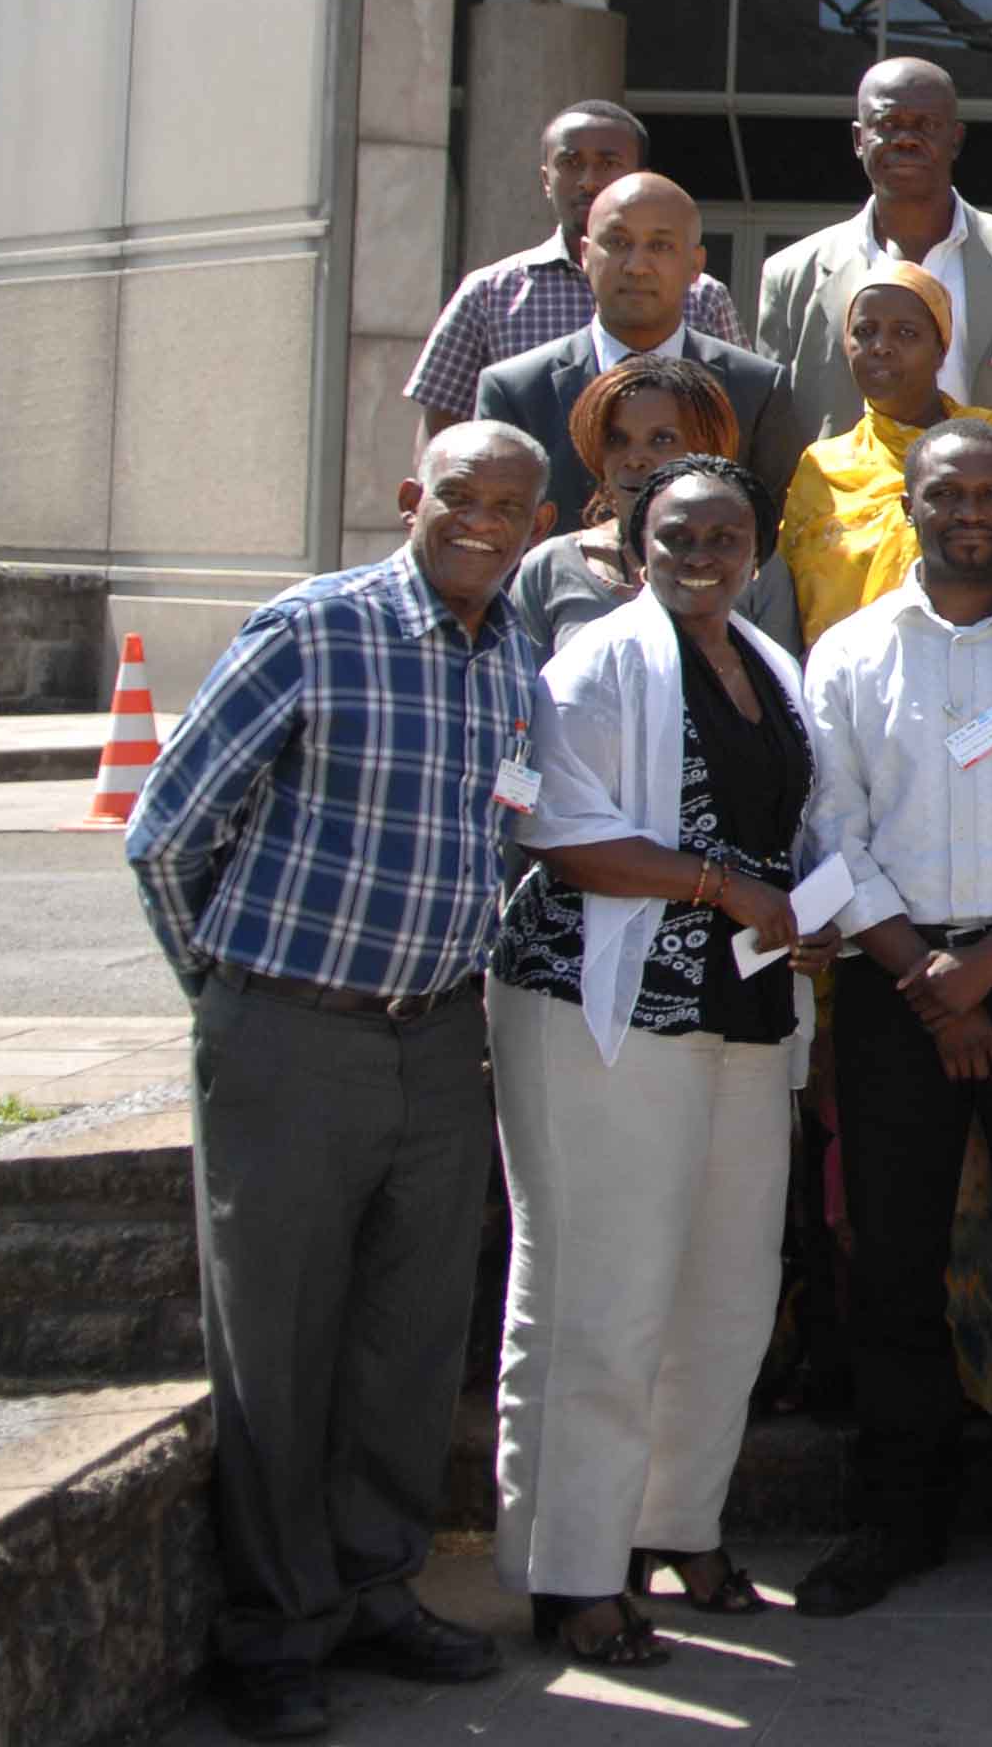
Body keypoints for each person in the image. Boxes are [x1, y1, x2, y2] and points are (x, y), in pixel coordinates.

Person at [124, 424, 553, 1743]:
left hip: (435, 1038)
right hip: (290, 1036)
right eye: (460, 498)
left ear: (538, 527)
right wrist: (238, 1004)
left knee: (406, 1339)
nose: (483, 522)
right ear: (413, 501)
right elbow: (166, 836)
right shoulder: (314, 630)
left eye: (510, 507)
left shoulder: (515, 667)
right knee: (281, 1341)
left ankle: (376, 1586)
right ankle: (273, 1626)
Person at [489, 455, 815, 1670]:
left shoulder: (767, 664)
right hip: (600, 1007)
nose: (701, 552)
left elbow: (796, 824)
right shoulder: (599, 660)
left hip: (741, 1010)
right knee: (599, 1293)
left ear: (756, 547)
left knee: (726, 1292)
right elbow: (553, 824)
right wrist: (719, 883)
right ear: (635, 545)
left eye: (725, 533)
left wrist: (808, 906)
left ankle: (676, 1524)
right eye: (676, 533)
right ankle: (570, 1564)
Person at [791, 422, 992, 1619]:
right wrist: (930, 982)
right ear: (911, 505)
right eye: (947, 491)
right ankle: (897, 1514)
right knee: (895, 1258)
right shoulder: (850, 650)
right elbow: (833, 834)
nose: (971, 509)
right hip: (897, 981)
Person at [779, 264, 992, 645]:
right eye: (864, 331)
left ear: (941, 349)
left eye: (906, 333)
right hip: (863, 686)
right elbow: (785, 605)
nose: (881, 346)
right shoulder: (822, 469)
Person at [753, 57, 992, 433]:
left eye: (926, 126)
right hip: (841, 492)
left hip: (990, 489)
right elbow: (773, 432)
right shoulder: (791, 274)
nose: (906, 139)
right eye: (888, 125)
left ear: (955, 139)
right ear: (859, 140)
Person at [475, 172, 798, 526]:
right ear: (585, 255)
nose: (636, 267)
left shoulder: (756, 390)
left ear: (695, 264)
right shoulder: (515, 392)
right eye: (617, 242)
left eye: (660, 246)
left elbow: (773, 535)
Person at [408, 101, 740, 439]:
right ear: (546, 179)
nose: (587, 181)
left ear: (642, 176)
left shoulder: (701, 296)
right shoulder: (489, 294)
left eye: (608, 163)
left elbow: (740, 409)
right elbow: (442, 429)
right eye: (570, 163)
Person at [502, 354, 794, 657]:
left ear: (706, 447)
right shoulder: (548, 567)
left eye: (662, 439)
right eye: (616, 439)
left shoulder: (757, 566)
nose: (634, 458)